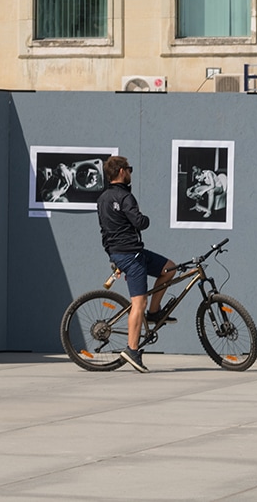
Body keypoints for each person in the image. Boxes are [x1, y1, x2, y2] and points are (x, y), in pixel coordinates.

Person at [97, 155, 176, 373]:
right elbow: (139, 222)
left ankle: (154, 312)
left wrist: (114, 256)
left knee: (170, 268)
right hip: (130, 254)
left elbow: (105, 228)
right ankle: (132, 350)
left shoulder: (102, 198)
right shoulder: (125, 196)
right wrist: (146, 219)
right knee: (138, 303)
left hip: (124, 252)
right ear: (122, 171)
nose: (131, 172)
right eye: (129, 169)